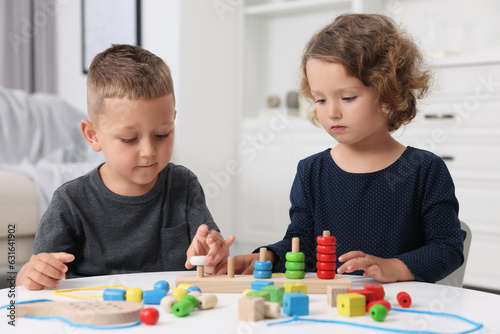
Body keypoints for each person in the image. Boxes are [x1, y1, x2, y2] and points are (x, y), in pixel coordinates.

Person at [221, 14, 465, 283]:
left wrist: (394, 267)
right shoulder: (311, 170)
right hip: (329, 310)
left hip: (398, 310)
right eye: (321, 100)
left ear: (387, 91)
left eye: (348, 98)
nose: (332, 112)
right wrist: (267, 257)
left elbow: (447, 247)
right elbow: (301, 243)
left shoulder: (425, 170)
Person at [17, 44, 235, 290]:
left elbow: (209, 255)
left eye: (162, 134)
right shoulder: (70, 201)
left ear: (173, 121)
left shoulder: (183, 184)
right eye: (130, 139)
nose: (149, 151)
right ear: (93, 136)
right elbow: (35, 278)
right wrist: (30, 273)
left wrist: (212, 255)